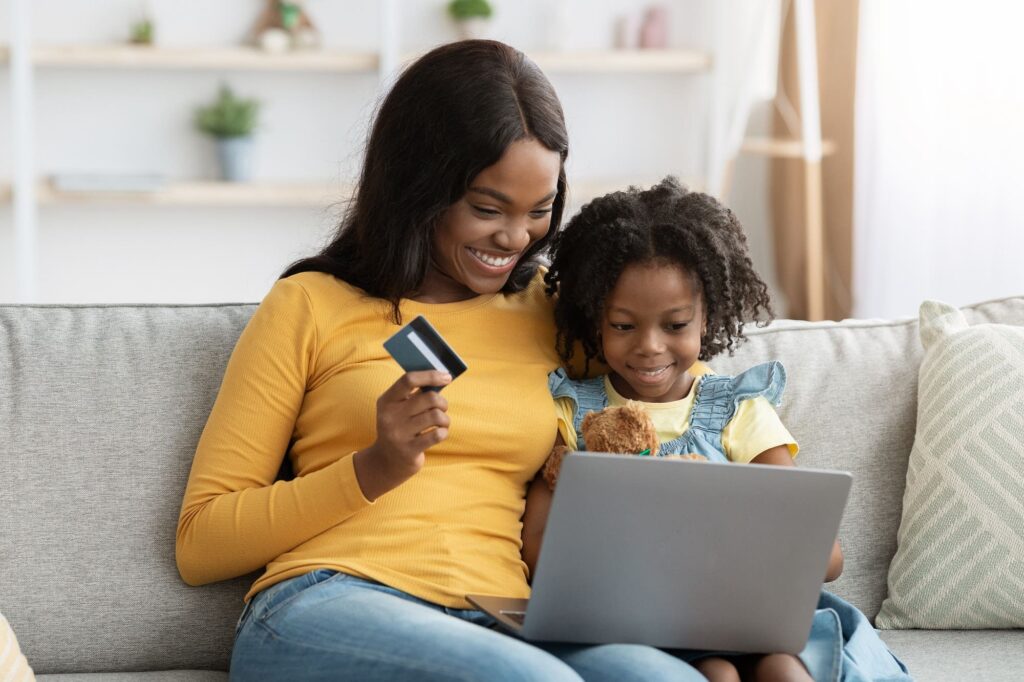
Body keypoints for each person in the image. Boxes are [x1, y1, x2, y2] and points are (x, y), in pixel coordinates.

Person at [175, 41, 704, 682]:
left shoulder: (558, 315)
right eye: (487, 209)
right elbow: (200, 543)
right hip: (328, 601)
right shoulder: (309, 306)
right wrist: (373, 466)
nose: (515, 238)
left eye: (538, 212)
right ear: (418, 188)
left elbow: (668, 380)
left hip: (503, 616)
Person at [523, 177, 911, 682]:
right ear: (592, 317)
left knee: (782, 669)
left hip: (744, 612)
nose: (650, 347)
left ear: (708, 318)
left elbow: (825, 553)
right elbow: (537, 548)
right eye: (623, 325)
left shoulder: (737, 410)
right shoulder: (573, 413)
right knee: (716, 674)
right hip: (636, 620)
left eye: (675, 325)